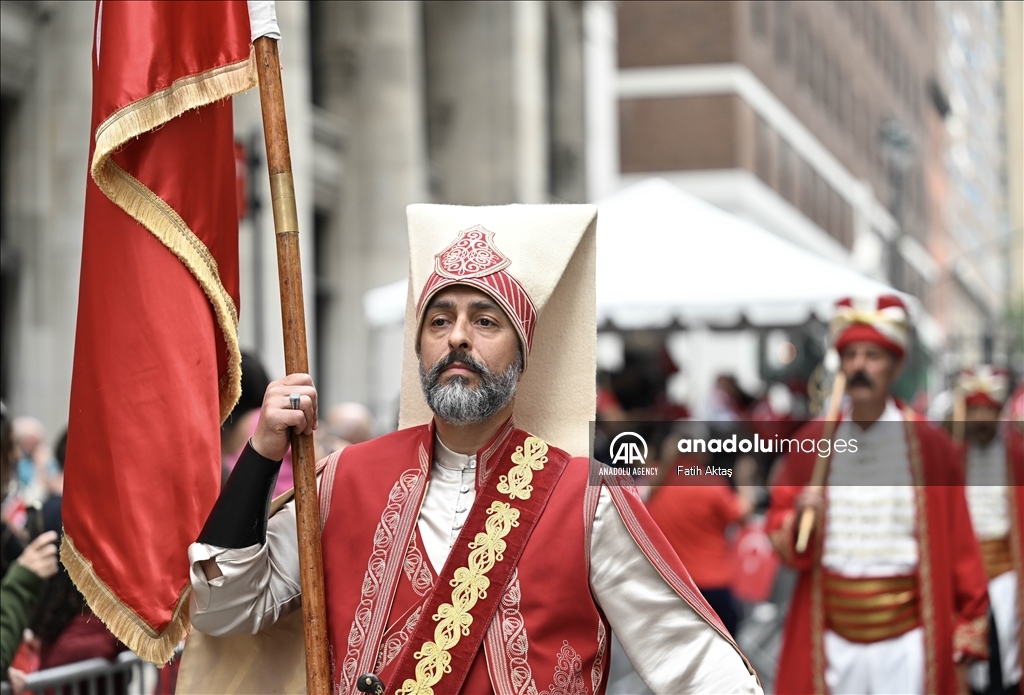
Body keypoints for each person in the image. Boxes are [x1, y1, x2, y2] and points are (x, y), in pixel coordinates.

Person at [185, 206, 761, 694]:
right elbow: (225, 606)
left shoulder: (591, 498)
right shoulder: (344, 478)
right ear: (420, 349)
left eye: (485, 320)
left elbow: (697, 666)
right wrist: (262, 452)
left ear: (522, 354)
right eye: (440, 320)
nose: (458, 335)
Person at [767, 295, 989, 694]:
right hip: (831, 639)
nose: (859, 366)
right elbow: (782, 536)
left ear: (896, 365)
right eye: (850, 355)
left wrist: (970, 618)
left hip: (907, 643)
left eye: (872, 355)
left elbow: (960, 543)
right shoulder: (812, 442)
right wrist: (801, 515)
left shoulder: (931, 446)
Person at [957, 367, 1022, 694]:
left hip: (1007, 569)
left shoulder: (1017, 456)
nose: (981, 418)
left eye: (988, 411)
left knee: (1010, 648)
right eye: (975, 410)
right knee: (970, 657)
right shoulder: (954, 457)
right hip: (967, 573)